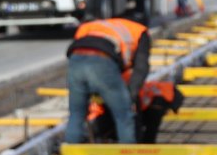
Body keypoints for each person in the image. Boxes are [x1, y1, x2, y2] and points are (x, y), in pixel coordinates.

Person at [64, 12, 152, 144]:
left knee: (77, 113)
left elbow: (80, 45)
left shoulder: (96, 25)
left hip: (75, 60)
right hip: (102, 61)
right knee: (124, 113)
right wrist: (131, 96)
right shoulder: (139, 31)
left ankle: (70, 154)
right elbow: (141, 68)